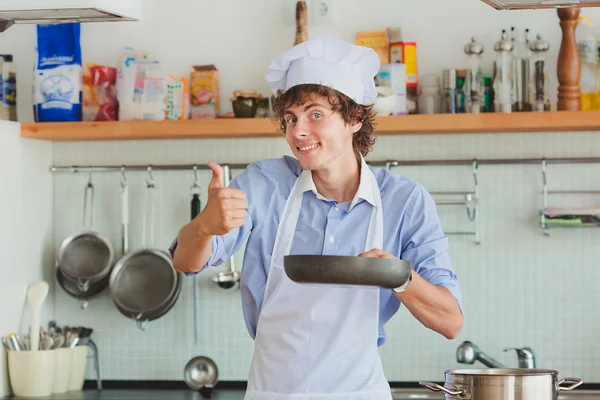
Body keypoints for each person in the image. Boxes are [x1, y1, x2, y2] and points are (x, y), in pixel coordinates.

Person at [170, 34, 464, 400]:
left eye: (316, 115)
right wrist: (202, 227)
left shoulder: (404, 201)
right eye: (291, 118)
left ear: (355, 118)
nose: (299, 132)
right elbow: (184, 262)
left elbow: (450, 322)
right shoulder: (266, 184)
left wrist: (399, 277)